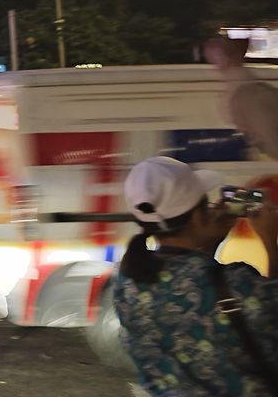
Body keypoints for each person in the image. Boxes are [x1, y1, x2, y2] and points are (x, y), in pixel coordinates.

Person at [115, 156, 278, 396]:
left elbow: (191, 282)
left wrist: (210, 243)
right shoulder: (236, 283)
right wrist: (269, 239)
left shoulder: (127, 283)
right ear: (197, 216)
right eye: (207, 204)